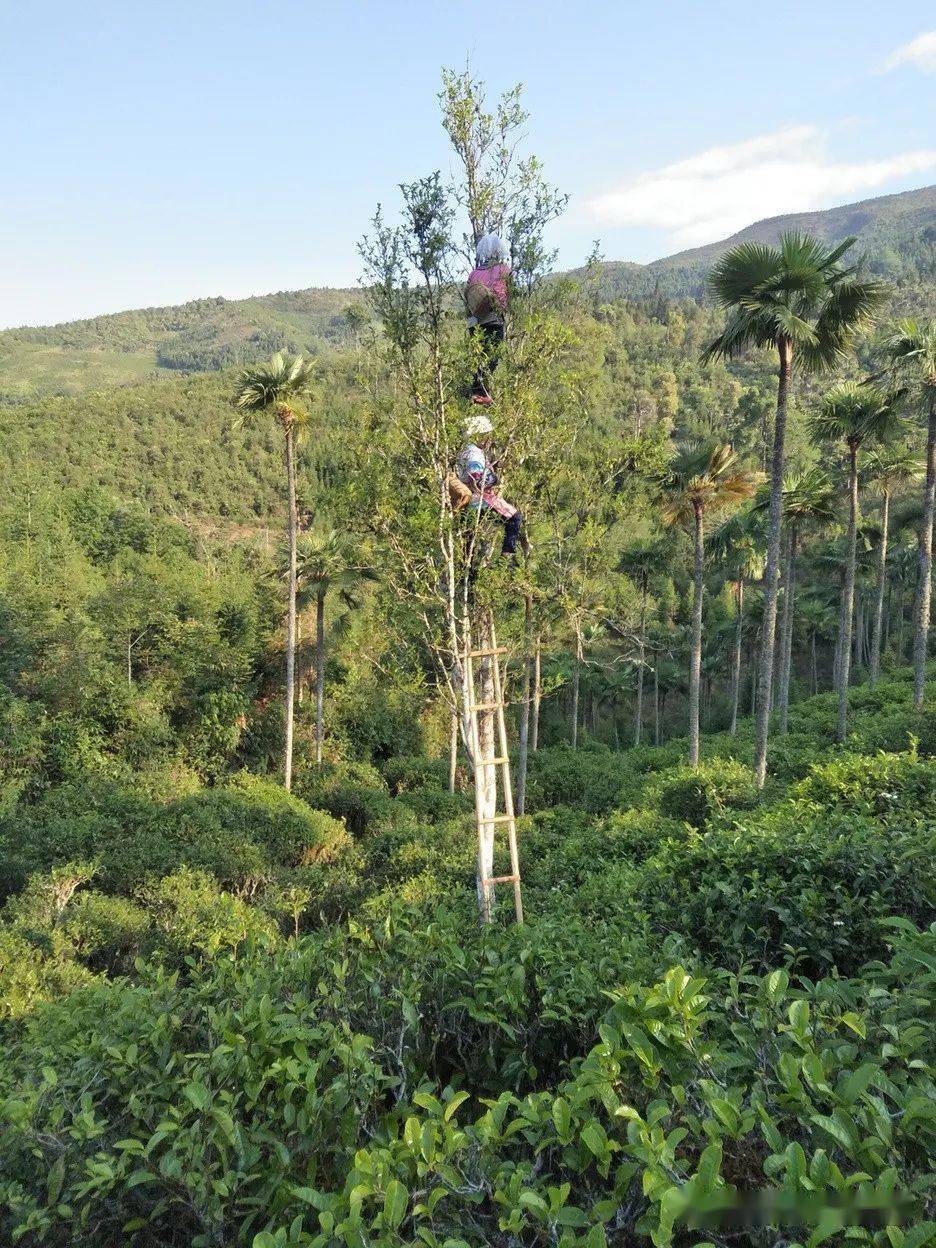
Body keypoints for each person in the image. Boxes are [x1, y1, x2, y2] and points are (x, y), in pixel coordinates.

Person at [456, 413, 524, 556]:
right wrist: (495, 479)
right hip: (480, 500)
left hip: (466, 503)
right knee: (514, 518)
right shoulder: (474, 454)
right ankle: (507, 557)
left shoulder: (466, 450)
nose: (488, 438)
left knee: (468, 548)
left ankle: (467, 574)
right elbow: (478, 480)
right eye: (485, 434)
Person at [465, 233, 510, 405]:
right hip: (492, 319)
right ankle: (482, 394)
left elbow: (468, 296)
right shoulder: (504, 270)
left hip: (474, 321)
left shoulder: (474, 273)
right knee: (493, 356)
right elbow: (504, 296)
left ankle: (478, 393)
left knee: (479, 357)